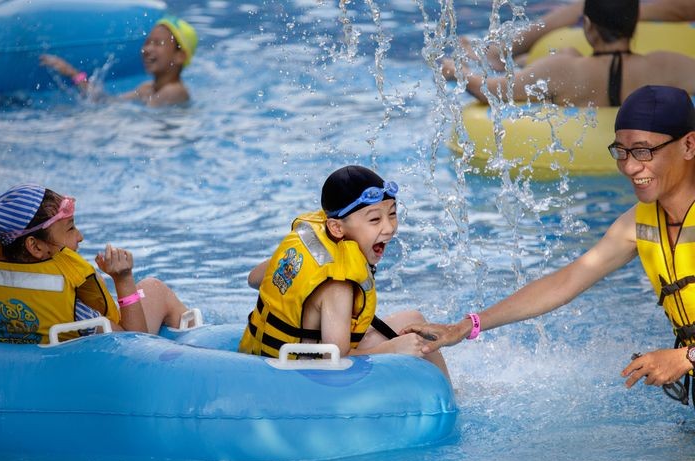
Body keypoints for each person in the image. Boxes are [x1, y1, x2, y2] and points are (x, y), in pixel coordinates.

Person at [405, 85, 695, 403]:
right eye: (621, 152)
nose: (628, 167)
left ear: (689, 145)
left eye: (643, 151)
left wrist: (684, 359)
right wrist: (465, 327)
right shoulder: (640, 222)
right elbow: (566, 282)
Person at [238, 165, 449, 377]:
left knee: (414, 321)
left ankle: (452, 395)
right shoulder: (338, 285)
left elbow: (254, 279)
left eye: (392, 214)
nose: (389, 227)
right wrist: (393, 349)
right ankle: (449, 401)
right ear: (337, 228)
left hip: (266, 351)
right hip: (299, 375)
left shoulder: (310, 252)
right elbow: (336, 360)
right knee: (414, 340)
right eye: (375, 219)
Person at [0, 184, 195, 343]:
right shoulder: (74, 309)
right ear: (36, 247)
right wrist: (123, 279)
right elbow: (133, 343)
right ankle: (197, 350)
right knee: (153, 288)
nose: (79, 236)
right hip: (78, 372)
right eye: (70, 228)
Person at [443, 0, 695, 107]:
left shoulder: (561, 70)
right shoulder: (666, 66)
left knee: (564, 53)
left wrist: (456, 71)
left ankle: (516, 60)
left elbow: (490, 92)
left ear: (586, 26)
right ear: (636, 25)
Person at [471, 0, 695, 71]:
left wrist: (459, 73)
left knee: (588, 6)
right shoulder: (666, 66)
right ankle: (511, 57)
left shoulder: (569, 71)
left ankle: (503, 54)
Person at [39, 15, 198, 107]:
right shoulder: (146, 89)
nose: (147, 49)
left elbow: (140, 120)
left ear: (180, 56)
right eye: (147, 42)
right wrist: (73, 73)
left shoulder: (175, 91)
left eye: (157, 43)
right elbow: (106, 101)